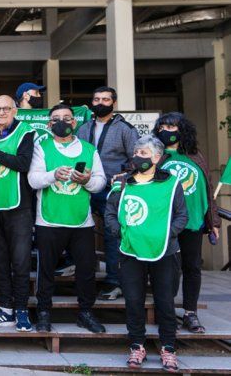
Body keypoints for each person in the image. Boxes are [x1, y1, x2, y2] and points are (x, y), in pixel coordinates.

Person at [105, 135, 187, 372]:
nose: (137, 156)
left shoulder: (171, 183)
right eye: (136, 152)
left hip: (165, 251)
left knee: (165, 302)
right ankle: (136, 345)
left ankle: (169, 348)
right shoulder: (122, 182)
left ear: (157, 157)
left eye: (143, 153)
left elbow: (182, 215)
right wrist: (121, 233)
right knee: (133, 300)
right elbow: (110, 212)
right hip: (130, 251)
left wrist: (165, 234)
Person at [28, 104, 106, 334]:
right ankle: (43, 312)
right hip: (49, 220)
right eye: (56, 119)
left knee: (85, 270)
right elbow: (33, 180)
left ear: (74, 122)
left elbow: (101, 181)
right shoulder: (41, 148)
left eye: (67, 118)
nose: (62, 122)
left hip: (81, 221)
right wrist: (53, 175)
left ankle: (86, 312)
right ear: (49, 124)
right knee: (46, 271)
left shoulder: (89, 149)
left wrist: (86, 181)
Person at [153, 112, 220, 333]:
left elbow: (207, 191)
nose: (166, 131)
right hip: (165, 223)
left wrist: (214, 222)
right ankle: (166, 311)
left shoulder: (195, 155)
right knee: (168, 269)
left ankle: (191, 313)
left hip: (193, 221)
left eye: (172, 127)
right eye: (162, 127)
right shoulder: (156, 155)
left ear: (183, 130)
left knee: (192, 267)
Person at [76, 86, 140, 300]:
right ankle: (73, 267)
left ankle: (114, 282)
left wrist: (123, 176)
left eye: (105, 99)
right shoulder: (84, 128)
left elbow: (137, 159)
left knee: (113, 234)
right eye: (96, 99)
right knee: (74, 228)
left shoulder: (125, 129)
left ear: (114, 102)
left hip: (111, 190)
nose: (100, 103)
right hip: (84, 186)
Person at [0, 95, 35, 332]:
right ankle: (5, 309)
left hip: (18, 207)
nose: (1, 112)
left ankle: (21, 309)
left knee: (20, 261)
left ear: (15, 110)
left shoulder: (26, 132)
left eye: (6, 108)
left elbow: (23, 164)